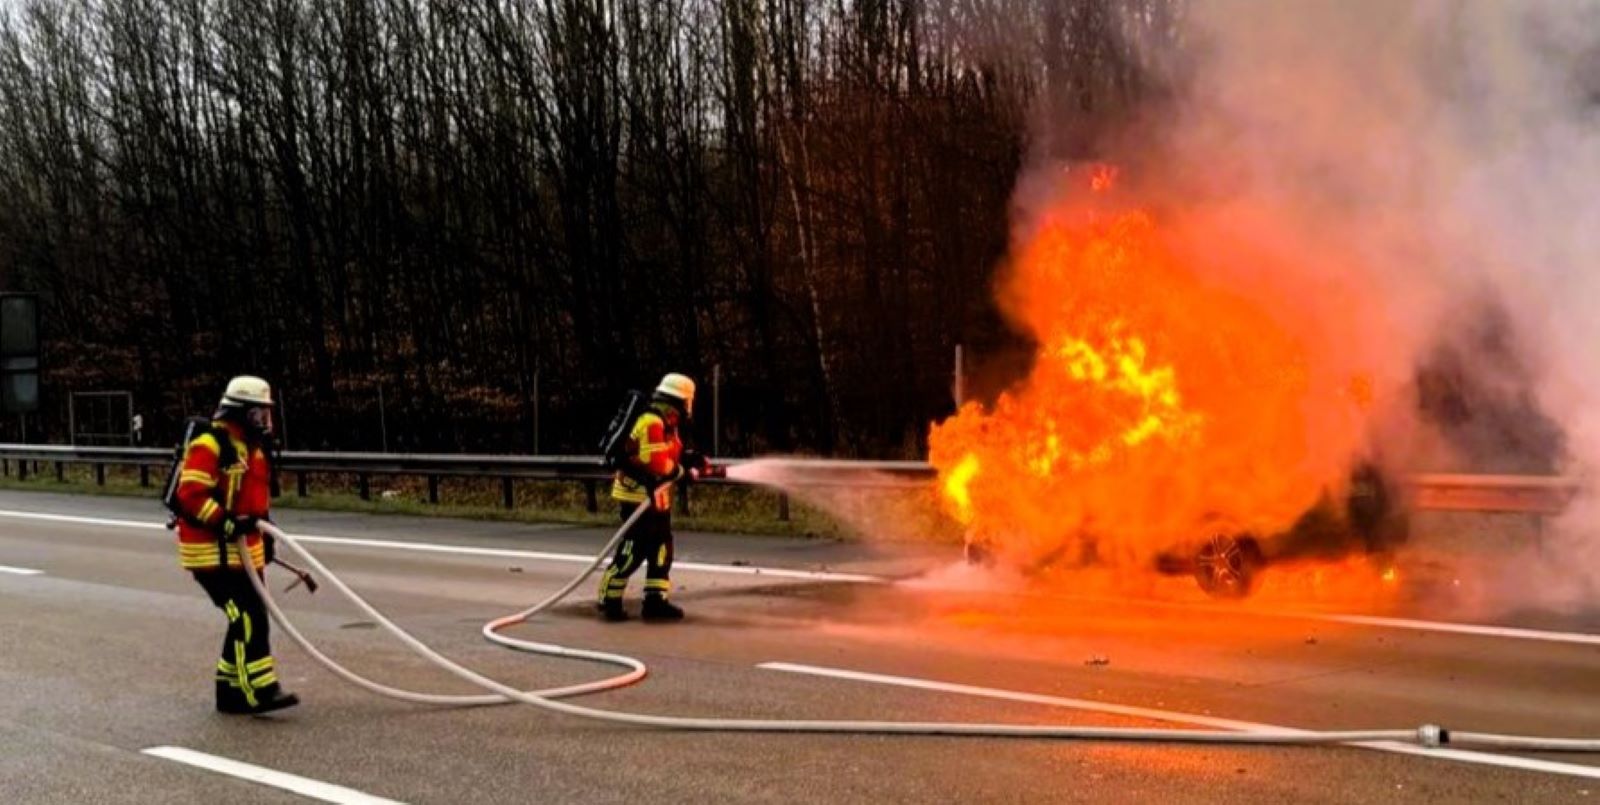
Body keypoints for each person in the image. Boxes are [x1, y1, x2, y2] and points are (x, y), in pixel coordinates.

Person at [173, 376, 298, 714]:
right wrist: (224, 521)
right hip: (211, 555)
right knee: (247, 617)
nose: (264, 421)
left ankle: (228, 692)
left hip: (244, 553)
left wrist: (265, 537)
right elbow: (190, 495)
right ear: (239, 412)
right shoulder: (210, 445)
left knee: (247, 617)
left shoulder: (253, 449)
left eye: (266, 414)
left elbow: (256, 504)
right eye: (257, 414)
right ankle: (258, 690)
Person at [597, 373, 710, 622]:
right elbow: (656, 464)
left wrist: (690, 458)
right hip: (637, 496)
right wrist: (683, 472)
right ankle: (609, 599)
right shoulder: (651, 421)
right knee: (634, 550)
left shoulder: (668, 422)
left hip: (657, 496)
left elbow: (669, 453)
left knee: (661, 548)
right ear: (680, 401)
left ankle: (655, 602)